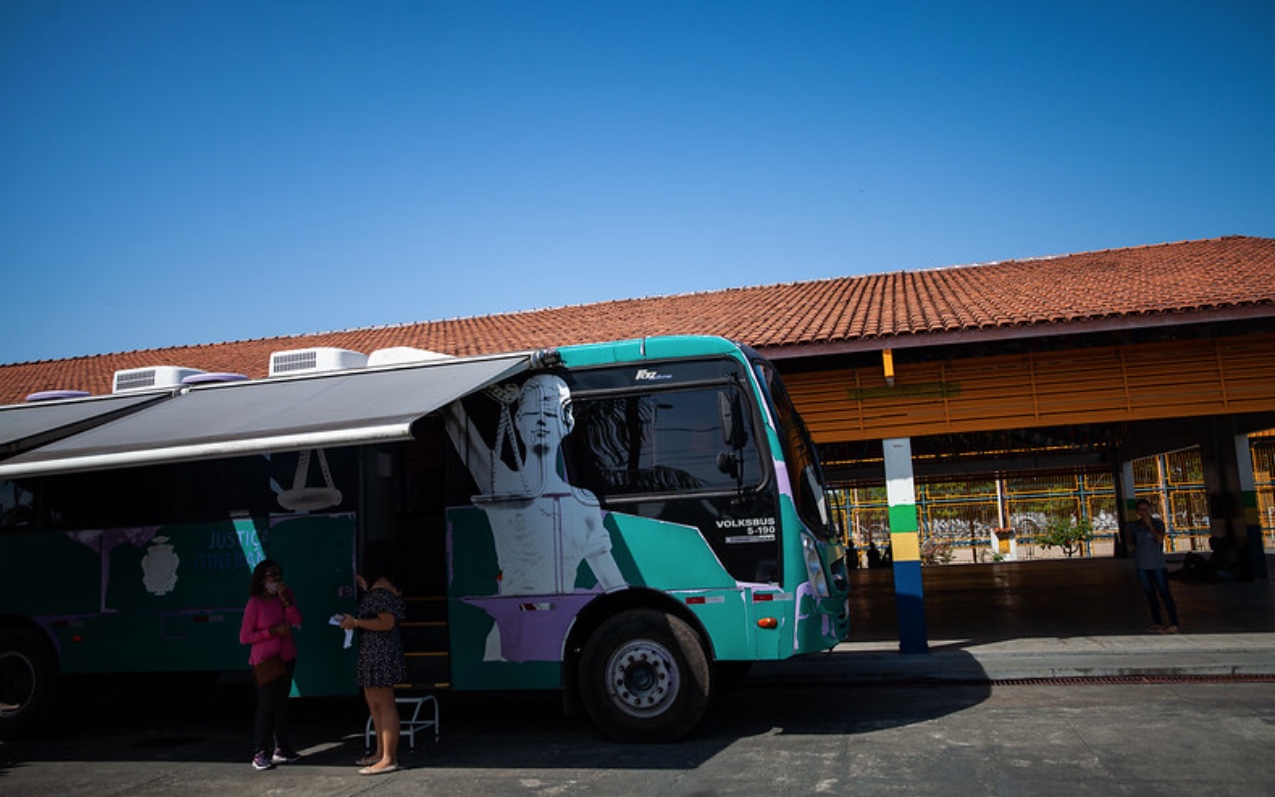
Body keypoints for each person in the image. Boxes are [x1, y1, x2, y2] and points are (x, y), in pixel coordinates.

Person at [444, 374, 626, 660]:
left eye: (550, 411)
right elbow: (456, 423)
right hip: (508, 631)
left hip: (559, 629)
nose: (540, 420)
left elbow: (616, 588)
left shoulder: (584, 504)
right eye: (531, 411)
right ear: (518, 422)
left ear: (567, 422)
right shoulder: (500, 484)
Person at [339, 542, 409, 776]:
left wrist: (356, 622)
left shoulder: (381, 590)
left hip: (379, 651)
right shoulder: (385, 587)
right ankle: (380, 752)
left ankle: (389, 757)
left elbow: (386, 622)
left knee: (384, 704)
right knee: (375, 704)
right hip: (374, 650)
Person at [239, 559, 303, 771]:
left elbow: (296, 620)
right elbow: (245, 637)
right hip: (265, 661)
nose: (276, 579)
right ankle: (260, 752)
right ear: (261, 579)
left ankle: (281, 748)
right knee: (266, 706)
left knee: (282, 704)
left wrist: (286, 601)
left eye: (278, 574)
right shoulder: (255, 603)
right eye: (271, 575)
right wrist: (272, 632)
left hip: (286, 657)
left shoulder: (284, 596)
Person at [1125, 499, 1180, 634]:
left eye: (1146, 509)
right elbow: (1130, 543)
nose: (1144, 512)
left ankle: (1174, 623)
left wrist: (1150, 525)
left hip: (1157, 564)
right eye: (1141, 510)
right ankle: (1157, 621)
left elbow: (1160, 538)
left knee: (1164, 593)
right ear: (1138, 512)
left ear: (1150, 510)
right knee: (1150, 594)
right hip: (1142, 564)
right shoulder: (1135, 526)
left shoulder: (1158, 523)